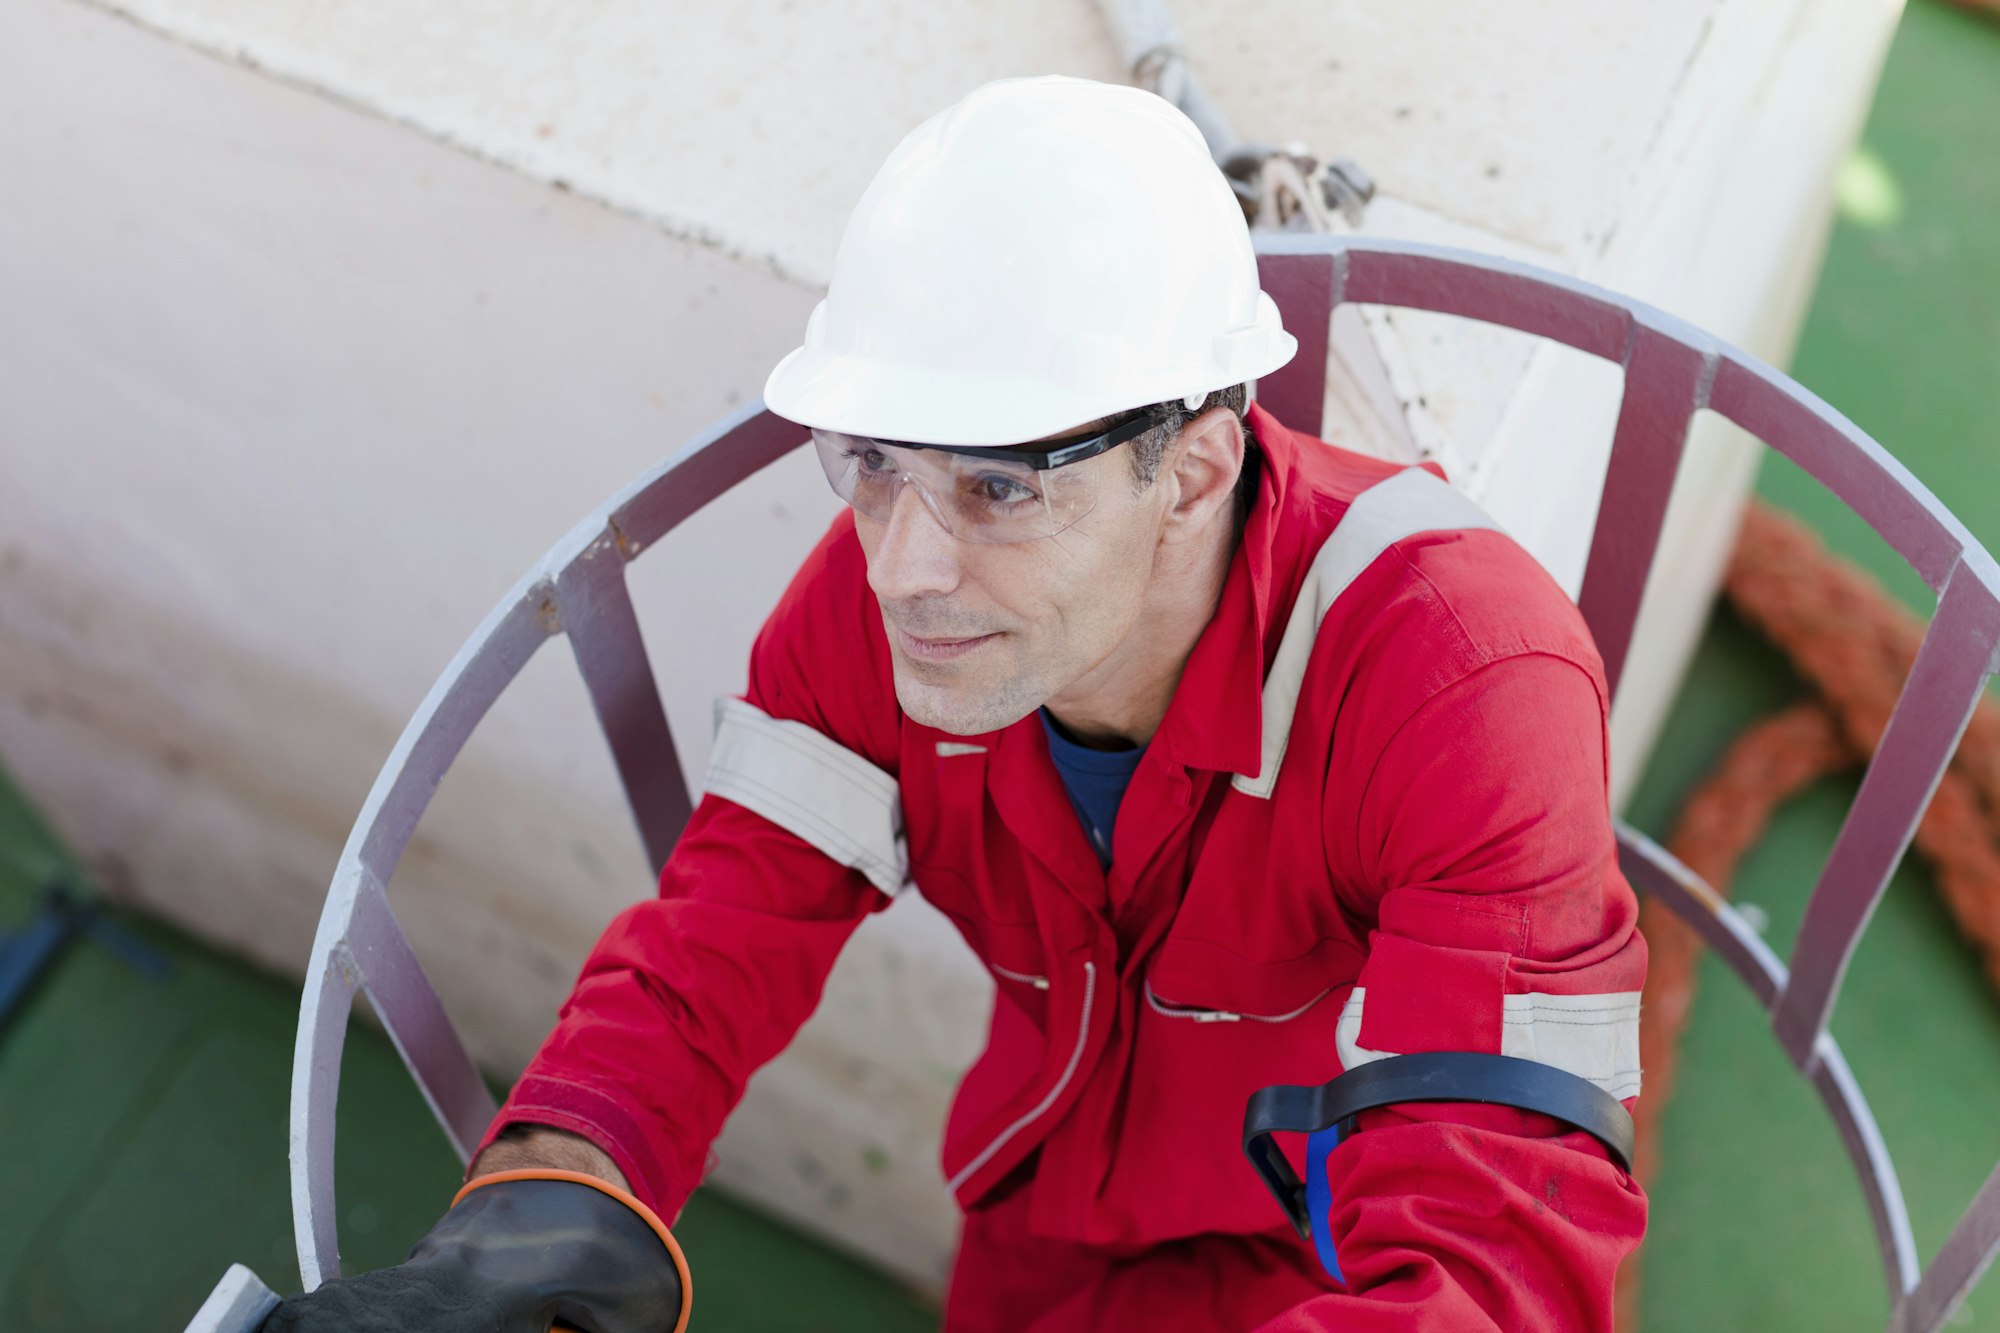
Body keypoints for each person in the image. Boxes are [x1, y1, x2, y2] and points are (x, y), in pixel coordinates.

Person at [266, 74, 1647, 1332]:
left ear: (1192, 468)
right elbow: (717, 936)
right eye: (871, 459)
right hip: (1041, 1219)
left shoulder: (1465, 686)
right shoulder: (880, 612)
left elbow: (1489, 1248)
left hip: (1344, 1253)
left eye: (1003, 484)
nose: (902, 566)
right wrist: (544, 1197)